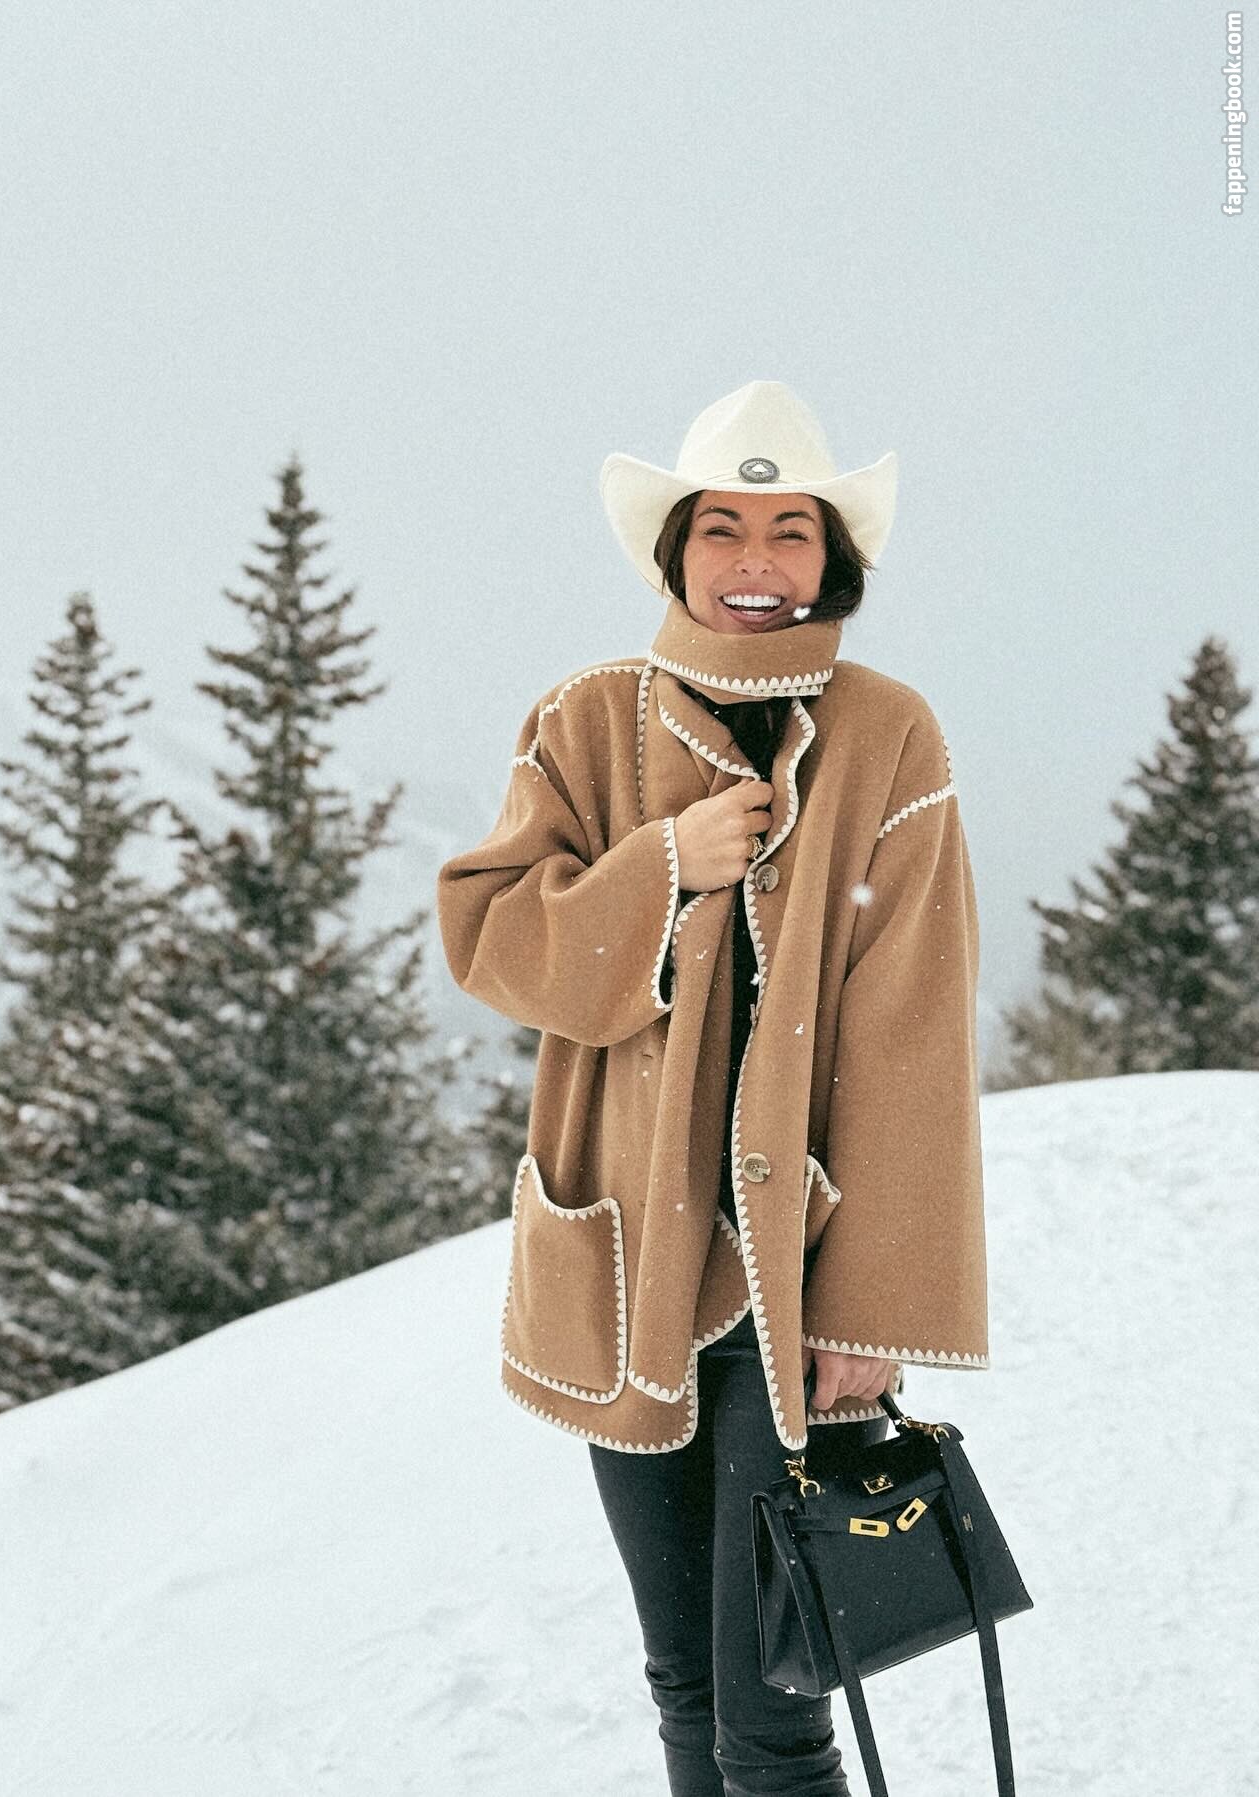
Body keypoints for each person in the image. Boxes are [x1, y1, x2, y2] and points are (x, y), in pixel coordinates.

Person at [435, 380, 991, 1796]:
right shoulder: (583, 721)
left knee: (778, 1714)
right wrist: (661, 869)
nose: (757, 562)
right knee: (685, 1679)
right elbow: (491, 939)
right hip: (627, 1262)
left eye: (791, 530)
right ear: (675, 550)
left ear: (832, 558)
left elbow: (914, 1044)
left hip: (791, 1280)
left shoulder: (890, 737)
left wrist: (872, 1311)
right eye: (724, 529)